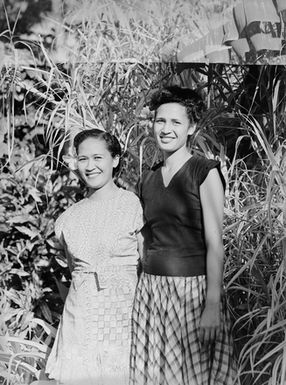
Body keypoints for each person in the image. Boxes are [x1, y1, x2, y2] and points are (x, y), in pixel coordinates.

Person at [129, 86, 236, 385]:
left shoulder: (204, 171)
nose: (166, 129)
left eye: (176, 123)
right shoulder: (146, 177)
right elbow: (145, 238)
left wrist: (212, 305)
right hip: (151, 293)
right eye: (160, 121)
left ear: (191, 128)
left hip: (192, 293)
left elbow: (216, 244)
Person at [45, 129, 143, 385]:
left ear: (115, 159)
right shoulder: (68, 219)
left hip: (124, 317)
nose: (90, 166)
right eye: (83, 158)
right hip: (82, 317)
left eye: (98, 157)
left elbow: (149, 263)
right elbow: (72, 268)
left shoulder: (132, 205)